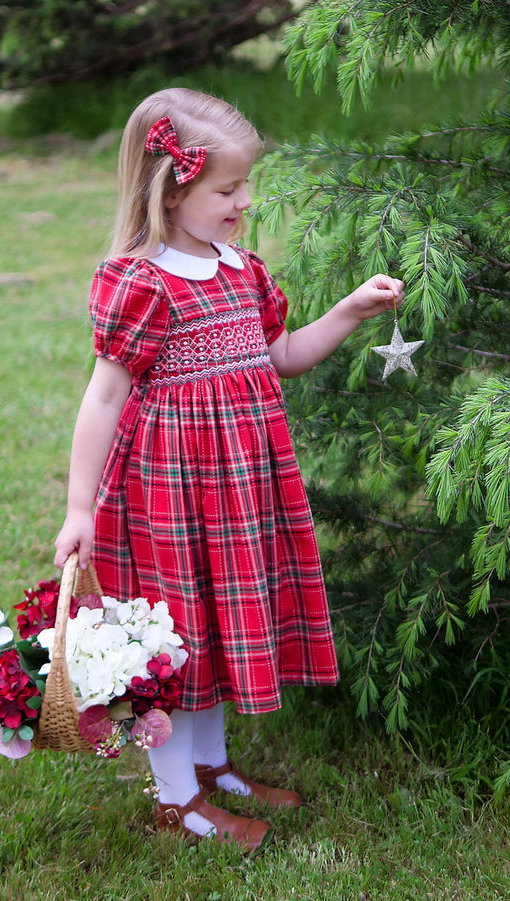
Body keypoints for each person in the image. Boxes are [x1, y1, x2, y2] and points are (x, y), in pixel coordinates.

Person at [54, 87, 404, 851]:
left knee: (214, 621)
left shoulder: (241, 269)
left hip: (240, 491)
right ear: (170, 189)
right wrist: (80, 507)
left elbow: (280, 358)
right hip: (169, 492)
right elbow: (103, 396)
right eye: (227, 189)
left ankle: (210, 767)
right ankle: (176, 800)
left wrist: (348, 309)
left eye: (246, 185)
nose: (244, 202)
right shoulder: (143, 282)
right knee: (175, 635)